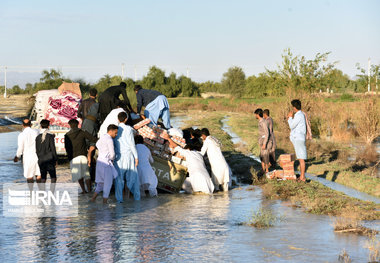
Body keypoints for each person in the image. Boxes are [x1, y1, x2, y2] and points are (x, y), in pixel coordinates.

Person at [65, 119, 97, 193]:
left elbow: (67, 149)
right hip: (83, 156)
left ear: (70, 125)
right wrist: (92, 147)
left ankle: (83, 190)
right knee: (87, 175)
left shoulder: (67, 135)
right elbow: (93, 139)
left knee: (79, 176)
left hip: (74, 158)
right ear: (77, 124)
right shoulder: (82, 132)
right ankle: (89, 191)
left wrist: (70, 159)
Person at [114, 112, 140, 202]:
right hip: (129, 155)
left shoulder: (115, 129)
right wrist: (136, 157)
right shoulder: (128, 129)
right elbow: (132, 144)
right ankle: (136, 198)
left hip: (118, 156)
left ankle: (119, 200)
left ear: (118, 119)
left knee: (119, 179)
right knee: (133, 178)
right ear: (126, 119)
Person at [91, 124, 119, 204]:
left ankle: (93, 199)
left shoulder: (102, 137)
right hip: (106, 164)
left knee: (100, 183)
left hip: (100, 162)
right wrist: (112, 158)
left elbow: (97, 145)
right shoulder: (109, 139)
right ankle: (104, 202)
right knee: (108, 184)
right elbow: (112, 154)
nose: (116, 135)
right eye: (115, 133)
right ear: (111, 131)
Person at [14, 119, 41, 190]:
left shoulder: (21, 135)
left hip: (28, 157)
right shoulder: (36, 132)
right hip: (38, 156)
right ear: (31, 124)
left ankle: (31, 191)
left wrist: (17, 156)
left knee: (29, 175)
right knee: (38, 174)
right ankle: (41, 191)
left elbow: (20, 148)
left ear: (22, 125)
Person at [287, 99, 307, 182]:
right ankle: (302, 176)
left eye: (292, 107)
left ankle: (302, 177)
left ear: (294, 107)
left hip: (299, 138)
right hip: (299, 138)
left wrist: (289, 118)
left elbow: (292, 125)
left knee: (301, 158)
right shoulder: (301, 114)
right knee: (300, 158)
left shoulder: (299, 115)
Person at [35, 119, 57, 189]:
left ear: (40, 126)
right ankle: (52, 192)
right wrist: (56, 159)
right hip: (49, 159)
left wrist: (39, 158)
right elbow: (53, 149)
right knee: (53, 178)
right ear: (48, 126)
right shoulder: (50, 136)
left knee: (43, 178)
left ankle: (42, 193)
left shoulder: (38, 137)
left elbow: (37, 150)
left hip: (41, 160)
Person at [254, 108, 272, 173]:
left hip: (265, 141)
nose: (255, 116)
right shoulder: (261, 121)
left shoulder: (263, 122)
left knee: (265, 156)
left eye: (255, 114)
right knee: (261, 156)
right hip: (262, 141)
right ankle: (263, 170)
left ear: (258, 114)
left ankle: (267, 170)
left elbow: (267, 133)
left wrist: (264, 143)